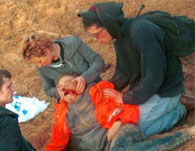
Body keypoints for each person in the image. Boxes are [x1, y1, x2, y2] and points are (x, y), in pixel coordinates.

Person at [44, 74, 195, 151]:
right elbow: (56, 146)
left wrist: (117, 122)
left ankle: (184, 135)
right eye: (59, 86)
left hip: (121, 134)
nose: (63, 88)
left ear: (79, 82)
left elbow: (127, 107)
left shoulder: (98, 91)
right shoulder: (62, 115)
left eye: (68, 83)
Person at [77, 1, 190, 138]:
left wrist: (126, 98)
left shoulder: (142, 31)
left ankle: (178, 111)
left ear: (109, 24)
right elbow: (124, 71)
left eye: (97, 34)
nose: (96, 39)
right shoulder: (118, 36)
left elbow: (154, 77)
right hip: (146, 89)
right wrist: (105, 89)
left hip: (166, 90)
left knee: (131, 131)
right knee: (114, 123)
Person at [22, 34, 105, 100]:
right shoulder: (42, 67)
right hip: (72, 101)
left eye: (39, 61)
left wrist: (84, 78)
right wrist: (58, 91)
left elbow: (98, 62)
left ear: (46, 51)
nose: (39, 65)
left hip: (95, 90)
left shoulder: (73, 44)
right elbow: (48, 89)